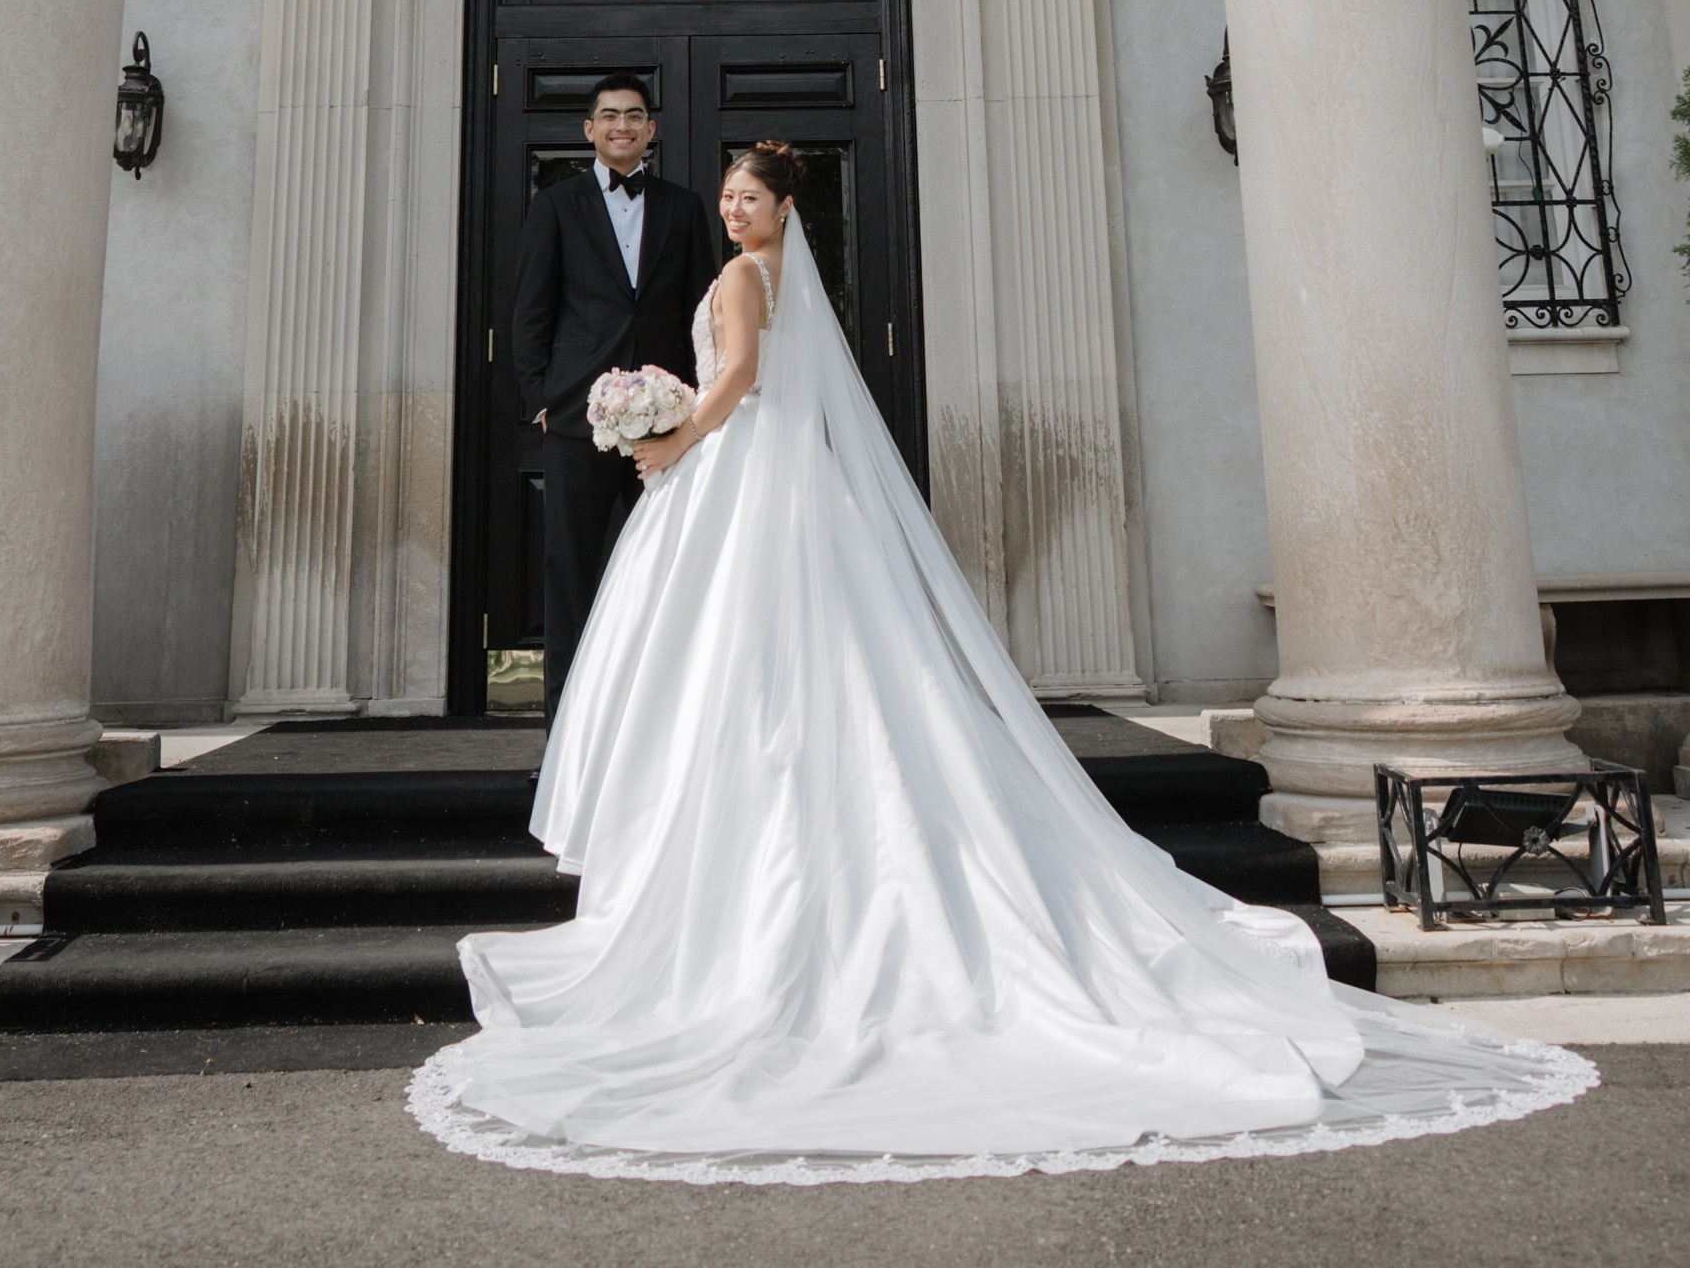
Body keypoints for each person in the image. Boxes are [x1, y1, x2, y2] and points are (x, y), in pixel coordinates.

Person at [415, 141, 1591, 1184]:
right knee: (788, 658)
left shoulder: (737, 281)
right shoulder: (774, 279)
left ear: (781, 209)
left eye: (747, 197)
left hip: (731, 477)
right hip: (777, 485)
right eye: (724, 196)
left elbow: (731, 386)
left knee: (737, 660)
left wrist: (662, 438)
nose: (730, 212)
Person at [510, 75, 716, 719]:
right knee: (569, 574)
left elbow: (699, 313)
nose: (622, 125)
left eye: (635, 116)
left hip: (666, 423)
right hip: (579, 418)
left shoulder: (683, 208)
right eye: (609, 116)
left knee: (666, 571)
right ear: (589, 130)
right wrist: (543, 398)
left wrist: (697, 403)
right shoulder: (556, 204)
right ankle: (565, 730)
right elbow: (532, 310)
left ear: (652, 130)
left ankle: (657, 724)